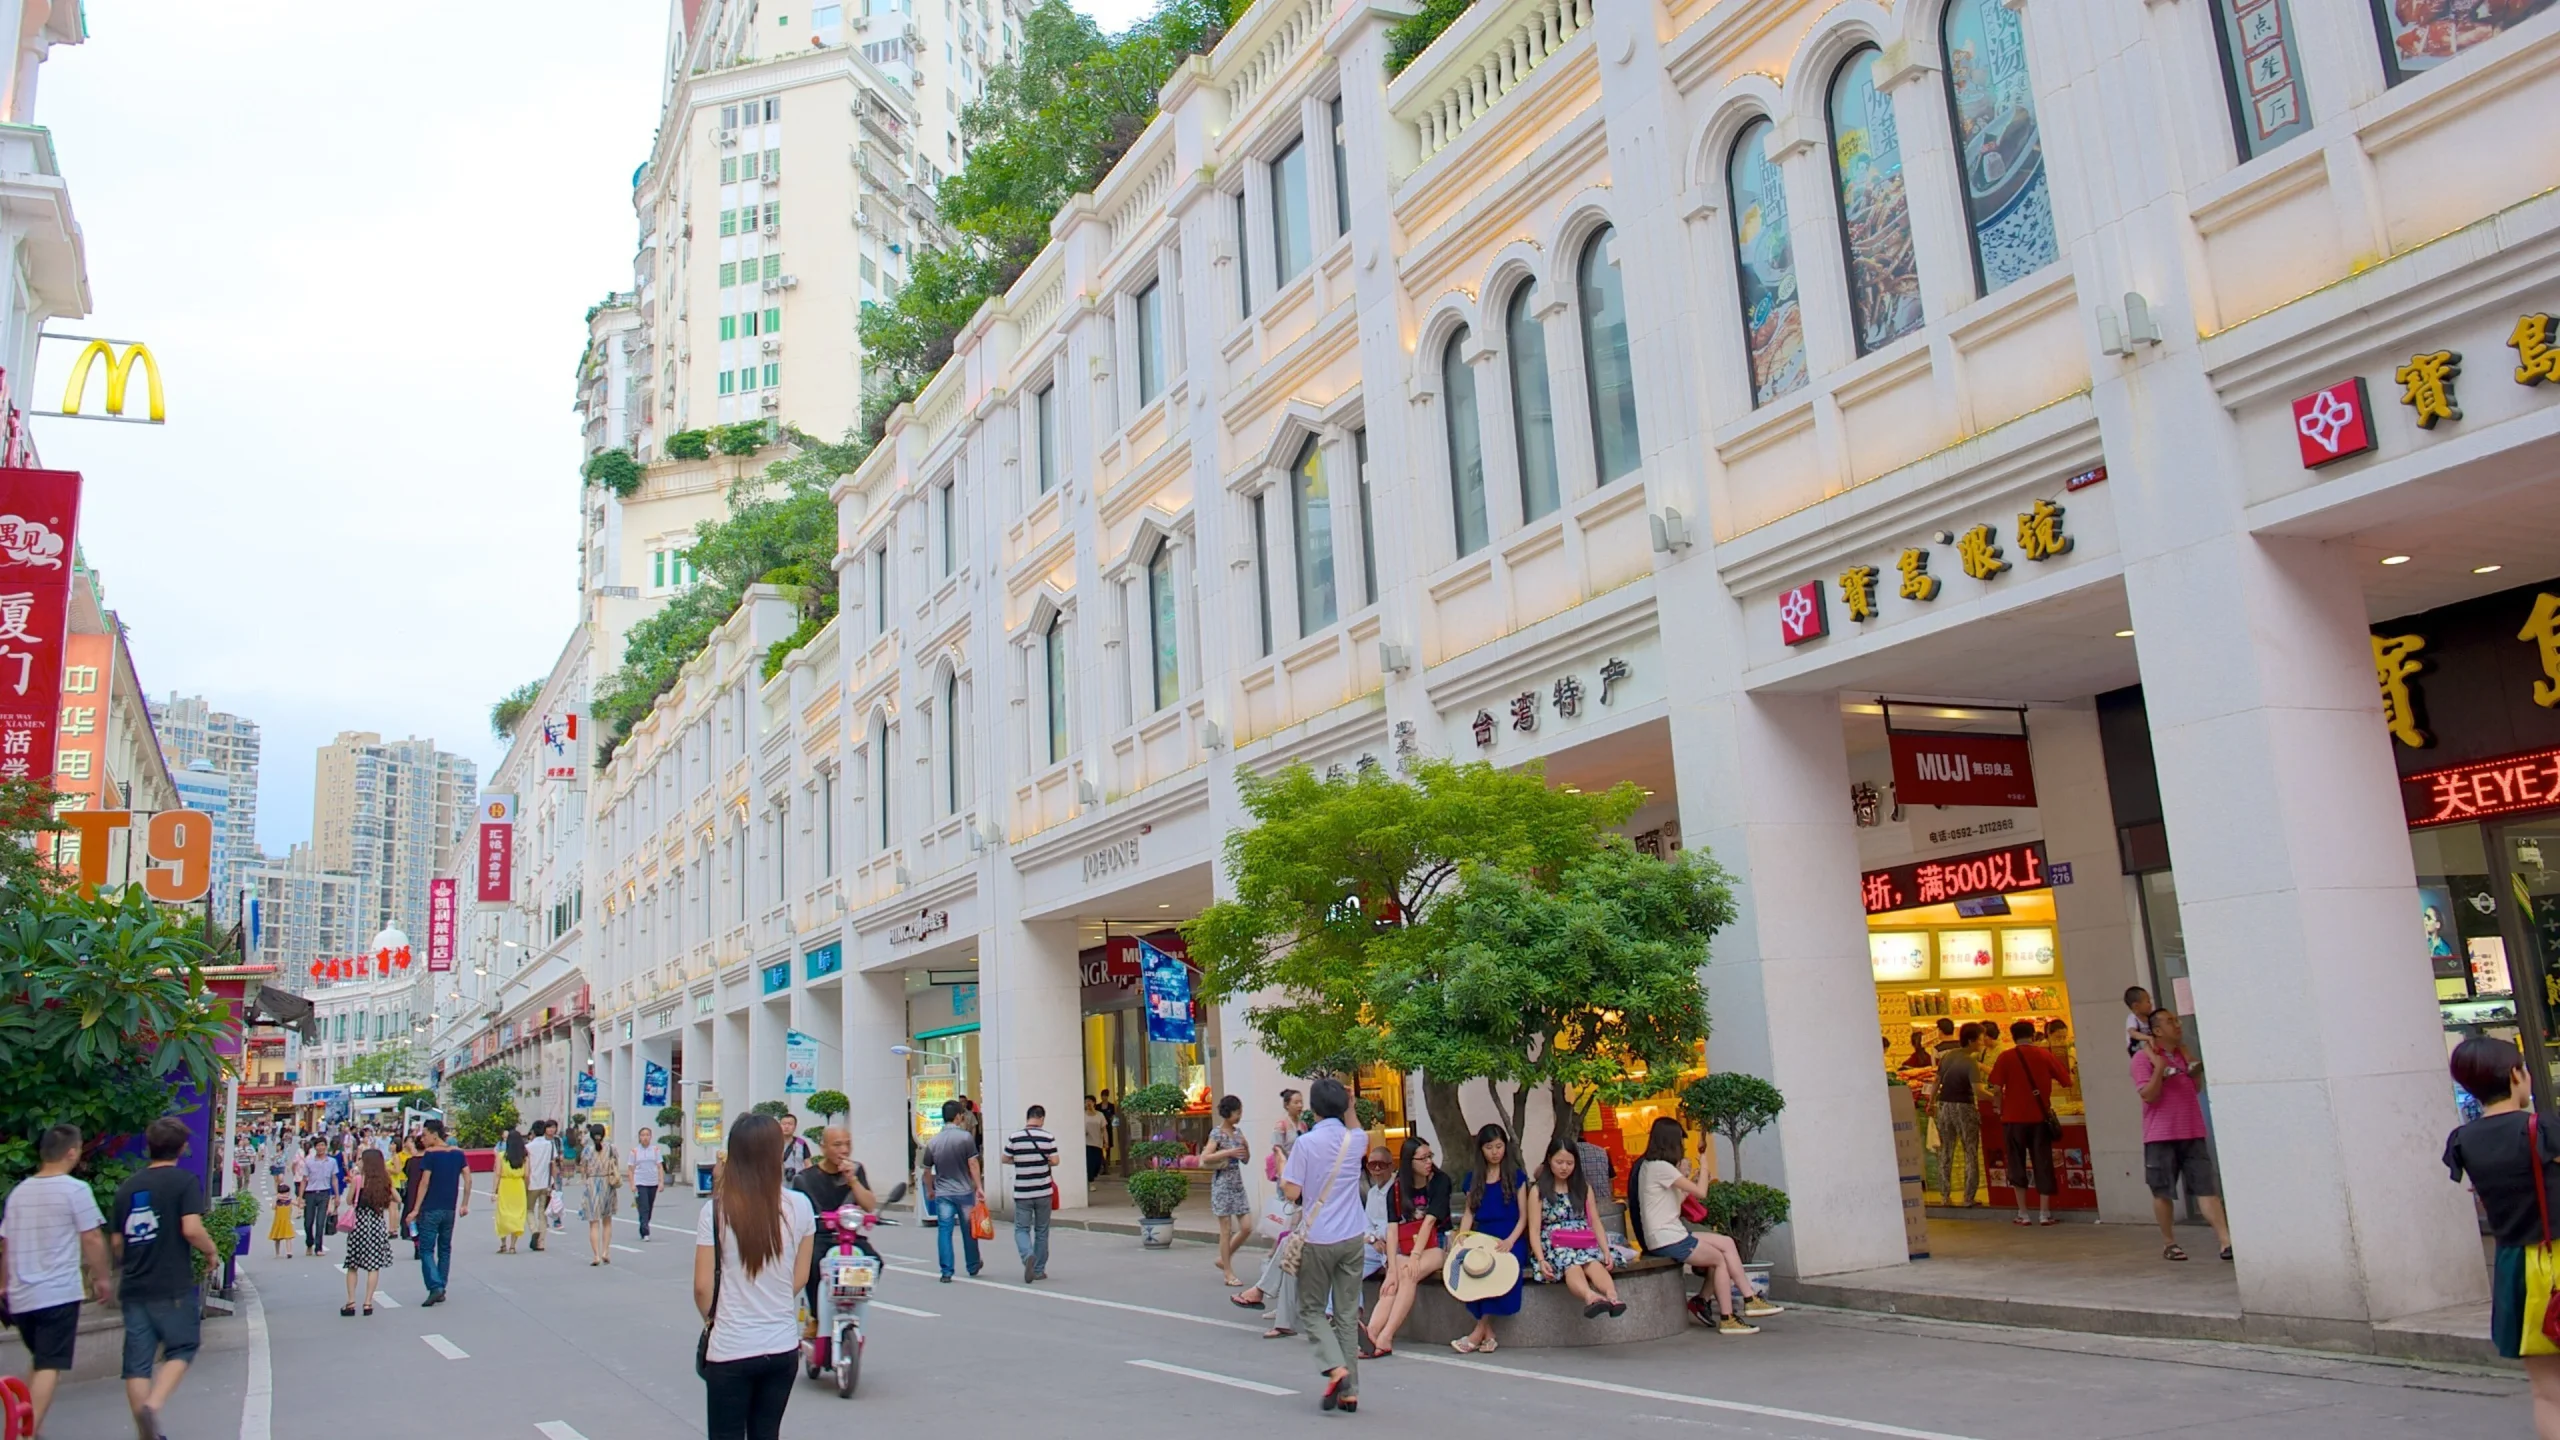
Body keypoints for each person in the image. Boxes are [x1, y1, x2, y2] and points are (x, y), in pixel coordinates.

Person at [696, 1113, 815, 1440]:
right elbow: (800, 1275)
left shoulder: (716, 1210)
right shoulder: (801, 1207)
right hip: (781, 1348)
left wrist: (718, 1320)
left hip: (730, 1348)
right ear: (776, 1154)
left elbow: (702, 1287)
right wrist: (771, 1302)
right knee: (767, 1434)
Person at [111, 1117, 219, 1440]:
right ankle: (152, 1407)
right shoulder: (183, 1182)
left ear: (149, 1147)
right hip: (171, 1282)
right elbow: (191, 1228)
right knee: (183, 1346)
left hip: (134, 1284)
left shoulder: (127, 1187)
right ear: (182, 1147)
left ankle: (146, 1433)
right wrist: (211, 1251)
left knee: (137, 1362)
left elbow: (117, 1243)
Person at [2, 1124, 111, 1433]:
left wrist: (2, 1285)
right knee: (50, 1364)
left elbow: (6, 1245)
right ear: (72, 1152)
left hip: (22, 1297)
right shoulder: (75, 1190)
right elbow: (91, 1237)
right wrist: (101, 1277)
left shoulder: (19, 1193)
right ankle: (25, 1432)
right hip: (57, 1294)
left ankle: (27, 1425)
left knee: (41, 1360)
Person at [1627, 1117, 1774, 1334]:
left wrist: (1688, 1181)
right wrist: (1704, 1167)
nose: (1683, 1147)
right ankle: (1728, 1317)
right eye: (1680, 1143)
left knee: (1726, 1243)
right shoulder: (1660, 1168)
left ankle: (1750, 1298)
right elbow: (1702, 1193)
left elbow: (1674, 1205)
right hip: (1667, 1238)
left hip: (1670, 1233)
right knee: (1719, 1259)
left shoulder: (1652, 1167)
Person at [1277, 1075, 1367, 1414]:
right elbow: (1356, 1130)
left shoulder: (1306, 1144)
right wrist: (1352, 1107)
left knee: (1311, 1309)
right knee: (1345, 1313)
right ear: (1343, 1107)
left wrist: (1283, 1167)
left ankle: (1335, 1366)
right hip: (1353, 1236)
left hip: (1318, 1237)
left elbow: (1291, 1192)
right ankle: (1351, 1392)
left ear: (1313, 1109)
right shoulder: (1355, 1140)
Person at [2132, 1009, 2233, 1262]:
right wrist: (2159, 1070)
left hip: (2192, 1131)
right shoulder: (2143, 1059)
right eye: (2170, 1022)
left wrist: (2193, 1069)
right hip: (2160, 1135)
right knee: (2162, 1191)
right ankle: (2170, 1242)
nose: (2177, 1025)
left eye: (2176, 1020)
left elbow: (2195, 1088)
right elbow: (2148, 1095)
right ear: (2156, 1030)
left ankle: (2225, 1240)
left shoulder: (2183, 1055)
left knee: (2206, 1188)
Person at [1361, 1134, 1450, 1359]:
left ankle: (1385, 1335)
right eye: (1423, 1158)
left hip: (1437, 1245)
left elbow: (1430, 1222)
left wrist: (1413, 1258)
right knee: (1398, 1276)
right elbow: (1392, 1230)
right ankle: (1372, 1334)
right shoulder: (1398, 1189)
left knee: (1408, 1273)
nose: (1429, 1162)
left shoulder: (1441, 1182)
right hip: (1406, 1249)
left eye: (1430, 1156)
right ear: (1410, 1162)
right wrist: (1391, 1268)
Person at [792, 1125, 880, 1332]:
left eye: (847, 1144)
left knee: (875, 1261)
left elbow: (869, 1205)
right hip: (819, 1237)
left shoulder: (856, 1171)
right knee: (813, 1265)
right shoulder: (805, 1178)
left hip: (848, 1236)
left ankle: (854, 1302)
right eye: (837, 1144)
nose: (844, 1150)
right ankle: (815, 1315)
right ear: (823, 1148)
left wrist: (852, 1180)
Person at [1447, 1124, 1526, 1353]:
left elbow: (1523, 1217)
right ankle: (1489, 1334)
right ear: (1481, 1149)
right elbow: (1470, 1212)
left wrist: (1511, 1240)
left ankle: (1477, 1332)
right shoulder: (1474, 1178)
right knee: (1468, 1267)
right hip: (1483, 1235)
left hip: (1510, 1235)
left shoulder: (1516, 1177)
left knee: (1498, 1270)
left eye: (1499, 1146)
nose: (1495, 1152)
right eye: (1489, 1147)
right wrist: (1462, 1236)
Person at [1987, 1018, 2070, 1226]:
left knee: (2016, 1164)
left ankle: (2023, 1213)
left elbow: (1996, 1088)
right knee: (2042, 1163)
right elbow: (2067, 1081)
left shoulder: (2005, 1057)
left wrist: (1998, 1107)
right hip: (2039, 1119)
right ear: (2033, 1036)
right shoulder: (2044, 1055)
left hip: (2012, 1119)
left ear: (2013, 1037)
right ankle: (2044, 1213)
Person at [1530, 1138, 1622, 1318]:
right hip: (1555, 1243)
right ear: (1549, 1160)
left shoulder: (1583, 1188)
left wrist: (1605, 1250)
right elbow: (1533, 1228)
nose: (1564, 1167)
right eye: (1559, 1162)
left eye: (1569, 1163)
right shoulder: (1538, 1191)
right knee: (1571, 1264)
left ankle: (1612, 1297)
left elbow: (1595, 1221)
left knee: (1594, 1262)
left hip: (1582, 1239)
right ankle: (1591, 1296)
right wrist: (1541, 1259)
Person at [405, 1118, 471, 1306]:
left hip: (431, 1207)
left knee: (426, 1249)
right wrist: (464, 1203)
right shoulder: (458, 1153)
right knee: (445, 1248)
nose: (423, 1139)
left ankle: (435, 1286)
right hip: (449, 1208)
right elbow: (468, 1178)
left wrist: (415, 1209)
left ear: (434, 1135)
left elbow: (424, 1183)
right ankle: (442, 1284)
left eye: (425, 1135)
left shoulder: (431, 1155)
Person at [923, 1098, 983, 1282]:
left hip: (943, 1192)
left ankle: (946, 1271)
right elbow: (972, 1163)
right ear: (958, 1116)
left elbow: (926, 1170)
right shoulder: (965, 1138)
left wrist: (930, 1189)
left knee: (944, 1231)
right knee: (968, 1230)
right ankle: (973, 1264)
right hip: (964, 1191)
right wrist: (979, 1187)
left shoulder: (933, 1142)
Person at [1000, 1104, 1061, 1284]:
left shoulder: (1015, 1137)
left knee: (1021, 1228)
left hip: (1023, 1192)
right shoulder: (1048, 1137)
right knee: (1042, 1230)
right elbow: (1056, 1161)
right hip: (1043, 1191)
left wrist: (1018, 1160)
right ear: (1041, 1118)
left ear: (1028, 1118)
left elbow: (1004, 1158)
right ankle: (1039, 1270)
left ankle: (1027, 1256)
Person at [1932, 1022, 1985, 1208]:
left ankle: (1944, 1196)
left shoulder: (1948, 1056)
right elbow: (1978, 1091)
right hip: (1964, 1107)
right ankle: (1968, 1197)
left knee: (1946, 1151)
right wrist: (1996, 1097)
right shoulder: (1970, 1062)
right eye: (1980, 1039)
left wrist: (1931, 1103)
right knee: (1970, 1151)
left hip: (1944, 1105)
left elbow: (1937, 1081)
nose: (1982, 1042)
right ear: (1971, 1041)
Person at [1204, 1095, 1253, 1287]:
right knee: (1225, 1229)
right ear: (1228, 1112)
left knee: (1247, 1226)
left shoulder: (1238, 1133)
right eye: (1237, 1112)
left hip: (1237, 1184)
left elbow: (1246, 1160)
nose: (1240, 1115)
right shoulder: (1217, 1134)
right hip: (1222, 1184)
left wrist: (1246, 1149)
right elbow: (1206, 1157)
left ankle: (1223, 1258)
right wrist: (1228, 1152)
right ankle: (1228, 1272)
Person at [341, 1150, 395, 1316]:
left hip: (359, 1225)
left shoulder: (358, 1179)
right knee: (373, 1265)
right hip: (376, 1225)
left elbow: (349, 1201)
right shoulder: (384, 1181)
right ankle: (368, 1303)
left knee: (352, 1264)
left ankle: (351, 1302)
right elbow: (397, 1198)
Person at [582, 1124, 623, 1266]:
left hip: (592, 1183)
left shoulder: (587, 1150)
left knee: (593, 1223)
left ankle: (596, 1255)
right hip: (608, 1184)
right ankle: (606, 1251)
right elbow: (616, 1164)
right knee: (607, 1221)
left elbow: (584, 1169)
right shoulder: (611, 1148)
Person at [298, 1138, 339, 1258]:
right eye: (318, 1145)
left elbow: (334, 1179)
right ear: (315, 1147)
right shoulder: (309, 1162)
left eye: (323, 1145)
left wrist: (336, 1195)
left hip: (324, 1192)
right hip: (310, 1193)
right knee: (308, 1222)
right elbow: (304, 1180)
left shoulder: (332, 1162)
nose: (321, 1148)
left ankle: (319, 1247)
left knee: (321, 1221)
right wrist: (300, 1197)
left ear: (326, 1147)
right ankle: (309, 1243)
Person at [495, 1131, 529, 1254]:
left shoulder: (501, 1156)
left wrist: (495, 1190)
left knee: (503, 1214)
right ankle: (513, 1246)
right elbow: (527, 1175)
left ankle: (503, 1243)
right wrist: (526, 1188)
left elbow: (497, 1173)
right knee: (517, 1214)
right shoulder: (524, 1157)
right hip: (518, 1186)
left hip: (505, 1185)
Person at [524, 1120, 555, 1252]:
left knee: (529, 1209)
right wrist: (553, 1182)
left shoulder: (529, 1147)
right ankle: (541, 1242)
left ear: (533, 1132)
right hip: (546, 1183)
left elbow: (527, 1167)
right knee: (542, 1212)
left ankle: (534, 1230)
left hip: (532, 1183)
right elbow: (552, 1164)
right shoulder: (550, 1145)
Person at [631, 1127, 666, 1241]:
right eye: (642, 1135)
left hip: (653, 1182)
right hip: (640, 1182)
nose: (645, 1137)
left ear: (650, 1137)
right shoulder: (635, 1151)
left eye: (647, 1135)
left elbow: (660, 1167)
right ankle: (646, 1231)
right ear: (639, 1137)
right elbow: (630, 1169)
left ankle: (643, 1225)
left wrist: (661, 1182)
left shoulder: (655, 1150)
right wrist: (632, 1184)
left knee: (649, 1207)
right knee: (644, 1206)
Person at [1082, 1096, 1108, 1184]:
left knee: (1097, 1162)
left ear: (1094, 1103)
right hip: (1087, 1143)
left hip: (1098, 1142)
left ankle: (1092, 1176)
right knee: (1090, 1163)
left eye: (1090, 1101)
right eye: (1086, 1102)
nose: (1088, 1103)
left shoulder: (1100, 1115)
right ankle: (1091, 1181)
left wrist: (1106, 1141)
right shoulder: (1082, 1115)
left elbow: (1104, 1129)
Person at [2123, 985, 2156, 1056]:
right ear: (2136, 1006)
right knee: (2144, 1043)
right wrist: (2148, 1038)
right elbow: (2132, 1033)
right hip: (2136, 1048)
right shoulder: (2132, 1018)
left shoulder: (2150, 1017)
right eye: (2148, 1002)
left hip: (2150, 1046)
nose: (2151, 1004)